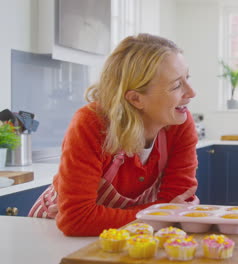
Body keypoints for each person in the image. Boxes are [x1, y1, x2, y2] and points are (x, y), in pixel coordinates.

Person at [29, 34, 199, 236]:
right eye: (177, 85)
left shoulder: (178, 122)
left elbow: (179, 203)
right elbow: (76, 220)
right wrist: (157, 214)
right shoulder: (91, 124)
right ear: (136, 98)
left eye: (187, 79)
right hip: (53, 235)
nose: (192, 92)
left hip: (129, 235)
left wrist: (98, 217)